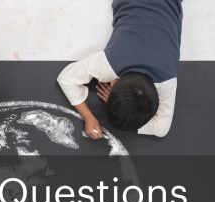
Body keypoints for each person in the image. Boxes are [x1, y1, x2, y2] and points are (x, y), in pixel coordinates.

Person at [57, 0, 183, 139]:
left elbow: (162, 129)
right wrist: (88, 116)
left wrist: (121, 103)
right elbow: (65, 79)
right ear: (113, 83)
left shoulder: (166, 82)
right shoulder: (108, 64)